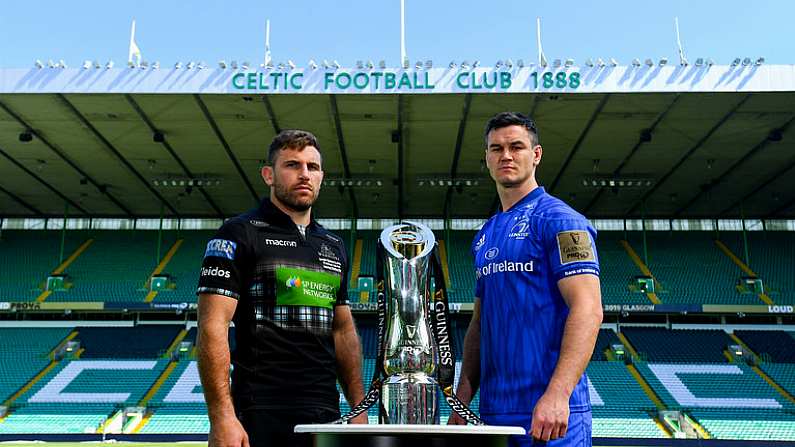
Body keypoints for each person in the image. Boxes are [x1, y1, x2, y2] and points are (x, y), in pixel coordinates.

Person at [196, 129, 367, 447]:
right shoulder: (239, 233)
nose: (304, 175)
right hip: (261, 410)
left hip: (325, 411)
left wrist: (358, 408)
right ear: (268, 175)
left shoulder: (333, 245)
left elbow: (343, 332)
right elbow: (212, 327)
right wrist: (222, 417)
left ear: (321, 176)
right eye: (292, 165)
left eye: (312, 167)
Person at [449, 112, 603, 446]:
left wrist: (558, 394)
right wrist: (462, 398)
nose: (506, 155)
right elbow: (480, 323)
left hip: (551, 414)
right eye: (496, 148)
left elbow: (588, 309)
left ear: (536, 155)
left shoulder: (560, 220)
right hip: (493, 415)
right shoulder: (485, 234)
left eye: (516, 146)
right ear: (487, 159)